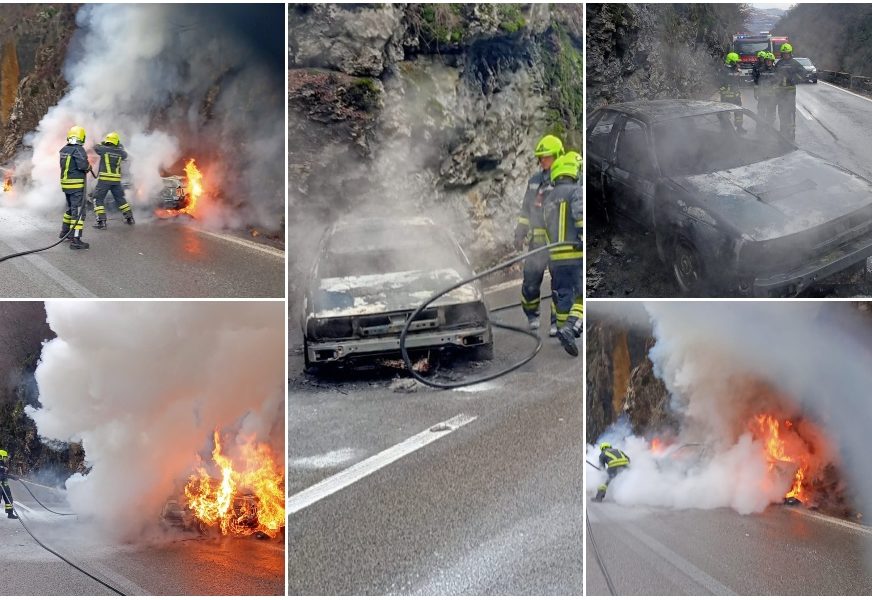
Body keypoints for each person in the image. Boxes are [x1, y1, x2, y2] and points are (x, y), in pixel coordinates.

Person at [515, 134, 563, 335]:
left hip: (559, 243)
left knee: (559, 284)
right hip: (537, 243)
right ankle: (532, 314)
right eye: (541, 157)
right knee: (530, 281)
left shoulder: (565, 180)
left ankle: (556, 322)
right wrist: (520, 233)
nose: (543, 161)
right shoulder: (534, 181)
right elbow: (526, 209)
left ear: (558, 156)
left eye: (547, 157)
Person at [542, 150, 583, 356]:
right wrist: (584, 237)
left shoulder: (548, 198)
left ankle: (561, 329)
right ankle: (572, 327)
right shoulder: (575, 191)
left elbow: (543, 227)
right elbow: (580, 216)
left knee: (563, 294)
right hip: (574, 254)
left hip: (555, 259)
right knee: (583, 296)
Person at [92, 131, 134, 228]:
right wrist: (119, 146)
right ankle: (130, 218)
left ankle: (101, 222)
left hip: (104, 180)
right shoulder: (121, 152)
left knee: (97, 199)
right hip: (116, 181)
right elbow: (125, 155)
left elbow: (96, 146)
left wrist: (103, 143)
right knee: (120, 199)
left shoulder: (103, 149)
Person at [59, 125, 91, 249]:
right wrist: (89, 167)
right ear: (81, 137)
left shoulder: (64, 149)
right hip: (76, 185)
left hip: (66, 184)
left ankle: (64, 233)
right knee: (78, 212)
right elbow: (83, 165)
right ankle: (75, 240)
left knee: (70, 209)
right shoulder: (78, 149)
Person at [774, 43, 807, 142]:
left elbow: (803, 72)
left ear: (790, 53)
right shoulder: (779, 63)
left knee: (791, 113)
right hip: (780, 93)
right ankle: (783, 131)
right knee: (781, 112)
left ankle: (791, 132)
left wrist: (796, 79)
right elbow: (774, 75)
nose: (785, 55)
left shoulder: (794, 63)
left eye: (787, 53)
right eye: (784, 53)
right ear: (781, 54)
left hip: (790, 93)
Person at [719, 52, 745, 132]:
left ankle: (739, 127)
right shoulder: (723, 71)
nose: (738, 64)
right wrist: (724, 91)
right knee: (725, 114)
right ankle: (725, 129)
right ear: (732, 62)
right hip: (726, 97)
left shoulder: (736, 70)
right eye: (736, 62)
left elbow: (738, 81)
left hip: (736, 96)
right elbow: (719, 83)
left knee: (739, 112)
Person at [754, 51, 778, 125]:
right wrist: (755, 92)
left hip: (772, 96)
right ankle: (759, 127)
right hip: (762, 95)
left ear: (772, 61)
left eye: (769, 61)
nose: (768, 62)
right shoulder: (760, 70)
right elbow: (756, 82)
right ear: (764, 61)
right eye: (767, 61)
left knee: (771, 112)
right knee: (761, 111)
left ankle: (770, 126)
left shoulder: (776, 70)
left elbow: (778, 82)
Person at [0, 449, 17, 519]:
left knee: (9, 499)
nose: (6, 459)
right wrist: (12, 477)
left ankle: (10, 514)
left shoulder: (3, 464)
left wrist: (13, 476)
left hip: (5, 484)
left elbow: (5, 474)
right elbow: (1, 475)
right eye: (5, 457)